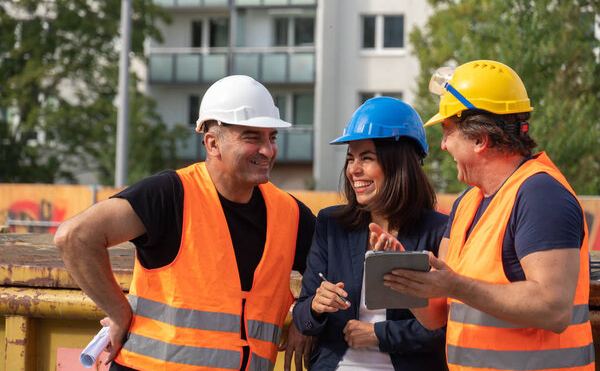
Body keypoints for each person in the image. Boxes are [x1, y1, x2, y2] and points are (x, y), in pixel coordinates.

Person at [54, 75, 317, 371]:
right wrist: (118, 313)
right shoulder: (171, 195)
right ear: (213, 143)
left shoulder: (290, 213)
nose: (268, 150)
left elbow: (334, 268)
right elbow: (75, 237)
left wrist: (306, 319)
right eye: (252, 137)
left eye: (272, 137)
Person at [379, 60, 595, 371]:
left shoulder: (541, 196)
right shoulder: (467, 203)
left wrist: (455, 285)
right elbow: (438, 315)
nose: (442, 145)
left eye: (447, 131)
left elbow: (554, 309)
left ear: (480, 139)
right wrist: (407, 281)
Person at [293, 96, 449, 370]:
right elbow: (303, 315)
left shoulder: (440, 230)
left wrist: (379, 335)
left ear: (400, 164)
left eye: (366, 158)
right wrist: (316, 306)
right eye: (351, 158)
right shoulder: (331, 224)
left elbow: (446, 326)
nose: (354, 169)